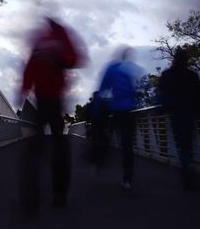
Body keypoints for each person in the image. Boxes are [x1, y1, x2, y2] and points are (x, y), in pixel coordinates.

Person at [18, 17, 86, 216]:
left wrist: (23, 89)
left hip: (45, 100)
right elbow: (76, 59)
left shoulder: (40, 42)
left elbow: (29, 69)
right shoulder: (59, 38)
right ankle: (59, 196)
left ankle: (32, 200)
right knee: (59, 149)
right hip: (54, 99)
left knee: (35, 150)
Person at [158, 47, 200, 190]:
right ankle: (189, 171)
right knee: (187, 143)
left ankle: (186, 173)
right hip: (189, 112)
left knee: (182, 145)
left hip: (174, 113)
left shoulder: (167, 75)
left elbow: (161, 93)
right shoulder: (192, 75)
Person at [94, 47, 141, 190]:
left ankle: (98, 163)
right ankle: (127, 180)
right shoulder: (131, 69)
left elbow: (103, 89)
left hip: (115, 110)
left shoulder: (112, 68)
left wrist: (97, 110)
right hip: (129, 110)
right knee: (127, 145)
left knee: (108, 138)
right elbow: (135, 90)